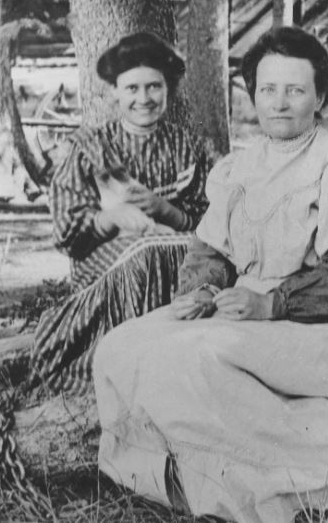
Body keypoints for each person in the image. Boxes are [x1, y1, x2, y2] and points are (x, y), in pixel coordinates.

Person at [93, 27, 328, 522]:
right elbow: (211, 247)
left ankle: (249, 489)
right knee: (123, 344)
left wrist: (273, 304)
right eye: (267, 90)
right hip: (245, 305)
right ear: (253, 95)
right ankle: (170, 482)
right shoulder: (240, 166)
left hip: (324, 323)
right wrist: (201, 290)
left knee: (203, 358)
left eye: (295, 90)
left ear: (321, 97)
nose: (279, 104)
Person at [30, 32, 210, 392]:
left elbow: (204, 218)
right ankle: (129, 363)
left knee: (191, 255)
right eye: (132, 89)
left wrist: (165, 210)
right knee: (142, 256)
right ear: (114, 90)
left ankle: (180, 363)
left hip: (174, 252)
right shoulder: (91, 147)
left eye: (154, 87)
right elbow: (67, 233)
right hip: (108, 270)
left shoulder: (183, 144)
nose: (143, 99)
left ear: (167, 89)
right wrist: (109, 218)